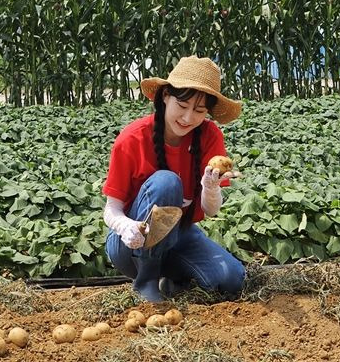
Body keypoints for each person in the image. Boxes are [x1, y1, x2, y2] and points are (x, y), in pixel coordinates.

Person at [102, 55, 246, 302]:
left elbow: (210, 211)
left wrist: (210, 188)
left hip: (179, 236)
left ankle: (173, 280)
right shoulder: (132, 139)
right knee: (166, 183)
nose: (188, 118)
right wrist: (125, 226)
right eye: (182, 105)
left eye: (199, 110)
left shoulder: (209, 137)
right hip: (130, 247)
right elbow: (111, 210)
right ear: (166, 96)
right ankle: (146, 280)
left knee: (232, 280)